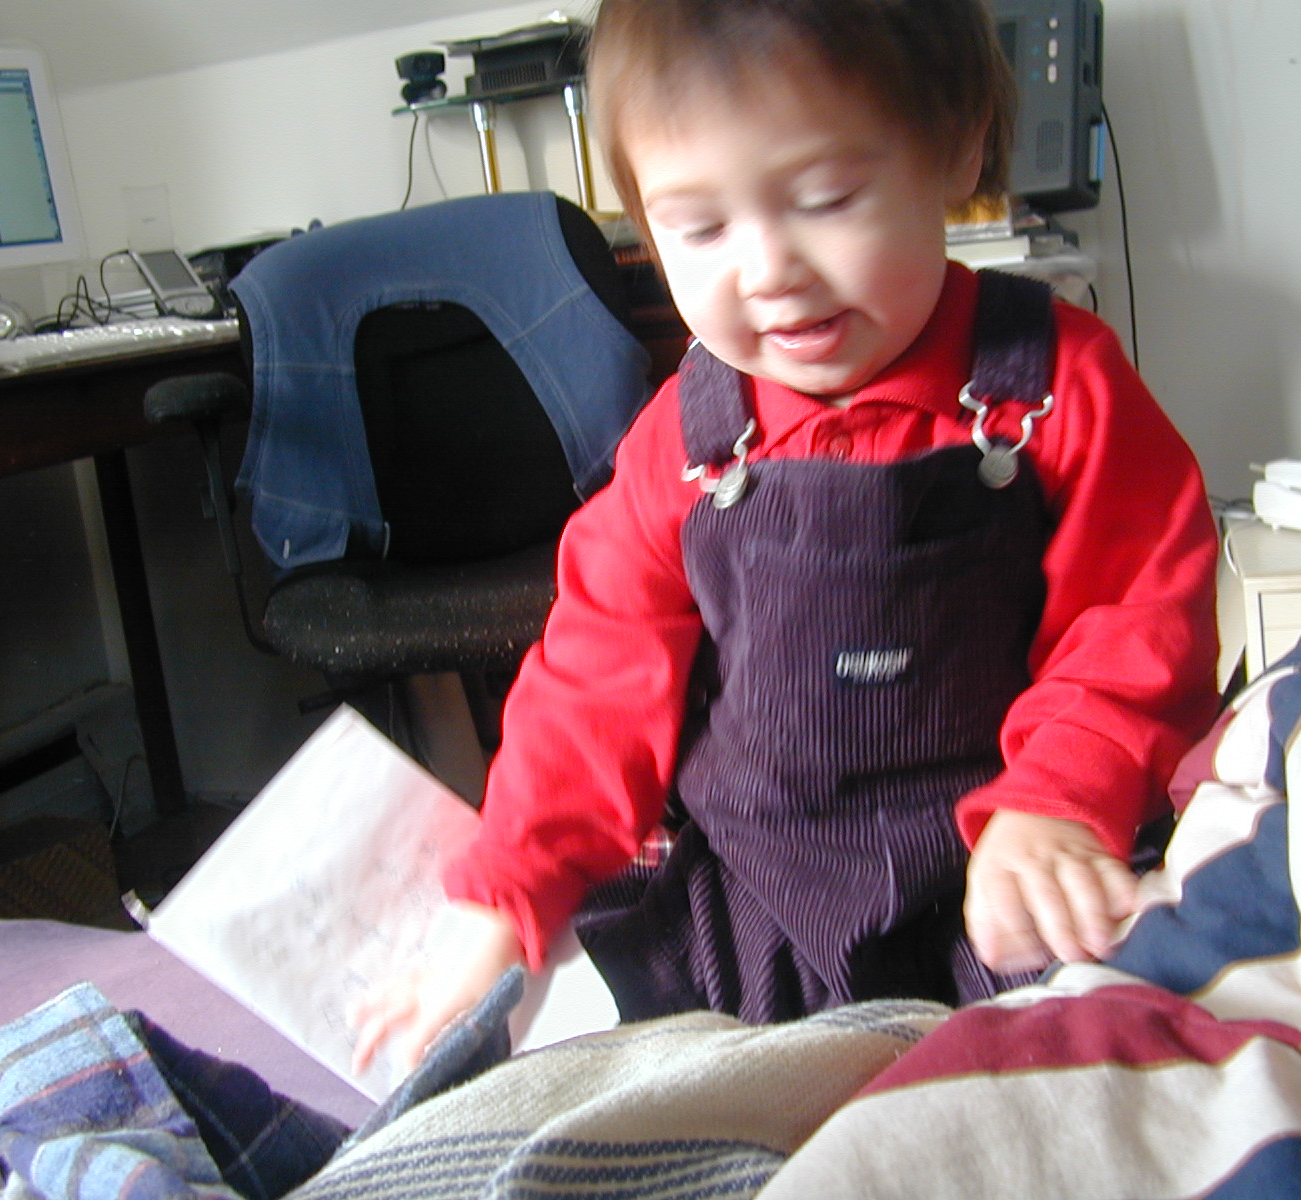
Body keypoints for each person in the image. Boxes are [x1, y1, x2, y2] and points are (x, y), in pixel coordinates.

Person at [352, 0, 1221, 1076]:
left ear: (954, 149)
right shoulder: (681, 441)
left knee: (1097, 1052)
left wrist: (1063, 803)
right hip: (755, 907)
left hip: (995, 881)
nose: (767, 270)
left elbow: (1138, 621)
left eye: (827, 200)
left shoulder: (1058, 389)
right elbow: (590, 685)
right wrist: (505, 899)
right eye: (700, 228)